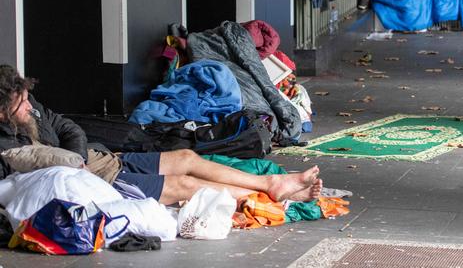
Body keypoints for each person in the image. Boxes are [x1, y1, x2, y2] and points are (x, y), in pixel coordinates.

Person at [0, 64, 322, 205]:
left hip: (102, 161)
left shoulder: (33, 109)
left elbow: (68, 127)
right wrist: (75, 171)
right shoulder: (6, 147)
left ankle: (271, 184)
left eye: (28, 99)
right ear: (2, 113)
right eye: (21, 104)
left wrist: (79, 157)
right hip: (100, 183)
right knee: (184, 185)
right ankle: (270, 195)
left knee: (186, 157)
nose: (29, 106)